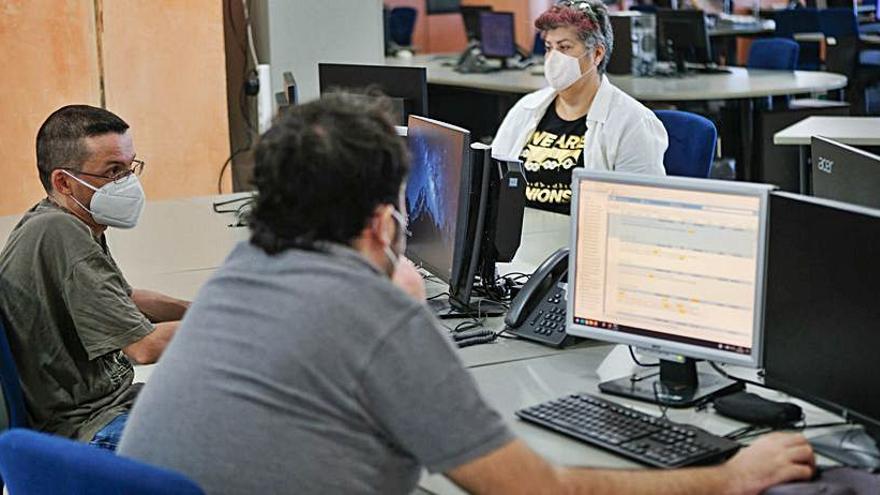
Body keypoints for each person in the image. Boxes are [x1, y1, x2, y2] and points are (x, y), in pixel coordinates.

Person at [119, 93, 814, 494]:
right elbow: (535, 491)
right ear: (383, 218)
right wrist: (728, 475)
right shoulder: (375, 317)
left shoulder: (241, 270)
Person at [0, 105, 189, 450]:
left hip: (108, 406)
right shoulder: (58, 232)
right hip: (86, 427)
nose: (128, 182)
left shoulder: (65, 220)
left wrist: (198, 308)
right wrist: (227, 320)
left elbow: (123, 299)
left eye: (130, 167)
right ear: (64, 182)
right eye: (113, 171)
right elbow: (143, 348)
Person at [492, 0, 668, 214]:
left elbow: (641, 212)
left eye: (565, 47)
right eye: (549, 48)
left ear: (596, 54)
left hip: (586, 241)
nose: (553, 58)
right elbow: (495, 183)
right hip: (522, 239)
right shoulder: (526, 109)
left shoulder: (634, 123)